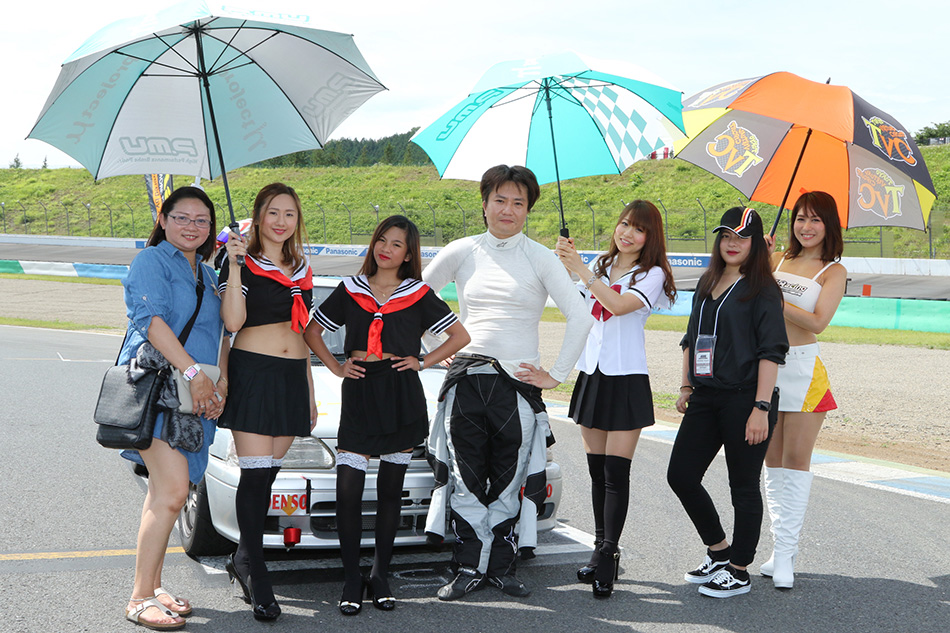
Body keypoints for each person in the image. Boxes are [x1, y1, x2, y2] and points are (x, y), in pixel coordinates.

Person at [422, 165, 593, 601]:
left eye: (519, 202)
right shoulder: (462, 249)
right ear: (484, 204)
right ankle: (467, 567)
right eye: (500, 200)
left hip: (517, 386)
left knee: (508, 480)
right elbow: (416, 298)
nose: (508, 210)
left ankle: (500, 567)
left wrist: (555, 375)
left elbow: (580, 316)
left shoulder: (541, 257)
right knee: (465, 478)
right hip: (465, 380)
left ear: (528, 210)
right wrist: (437, 349)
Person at [307, 215, 470, 615]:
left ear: (408, 254)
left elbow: (460, 336)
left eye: (397, 244)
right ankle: (351, 578)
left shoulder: (418, 293)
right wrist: (336, 366)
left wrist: (423, 361)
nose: (387, 248)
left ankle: (380, 576)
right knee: (348, 492)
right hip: (360, 388)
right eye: (382, 239)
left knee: (390, 494)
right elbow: (311, 331)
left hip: (401, 391)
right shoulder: (351, 288)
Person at [120, 186, 229, 630]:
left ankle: (153, 585)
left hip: (196, 396)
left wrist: (220, 382)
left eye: (202, 220)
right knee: (171, 493)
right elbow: (151, 322)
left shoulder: (208, 273)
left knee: (164, 495)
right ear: (163, 220)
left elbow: (225, 332)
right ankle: (139, 598)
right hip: (162, 391)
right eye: (181, 217)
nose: (191, 226)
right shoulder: (151, 261)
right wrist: (194, 373)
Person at [554, 200, 676, 599]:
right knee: (596, 472)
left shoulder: (652, 274)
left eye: (639, 229)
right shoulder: (601, 265)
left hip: (626, 379)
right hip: (592, 375)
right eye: (624, 224)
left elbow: (619, 306)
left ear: (650, 237)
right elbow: (576, 308)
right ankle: (599, 547)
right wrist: (565, 267)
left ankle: (609, 553)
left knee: (615, 473)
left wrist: (582, 270)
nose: (628, 233)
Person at [667, 206, 788, 599]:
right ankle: (719, 551)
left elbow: (771, 352)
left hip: (746, 399)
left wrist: (761, 408)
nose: (732, 243)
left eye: (742, 237)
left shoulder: (763, 288)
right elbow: (691, 338)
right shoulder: (708, 280)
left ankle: (739, 570)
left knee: (743, 486)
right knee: (681, 475)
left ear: (756, 244)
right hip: (705, 396)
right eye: (726, 236)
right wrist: (686, 386)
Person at [218, 183, 318, 621]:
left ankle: (243, 558)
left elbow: (304, 331)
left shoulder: (302, 268)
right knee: (256, 477)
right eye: (273, 212)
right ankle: (258, 577)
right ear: (258, 217)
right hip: (254, 374)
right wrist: (235, 265)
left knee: (268, 477)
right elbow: (232, 321)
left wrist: (310, 390)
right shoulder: (242, 261)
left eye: (289, 214)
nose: (281, 221)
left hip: (292, 377)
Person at [761, 191, 846, 589]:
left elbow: (817, 322)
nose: (806, 227)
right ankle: (778, 548)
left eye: (815, 219)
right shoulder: (776, 259)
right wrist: (759, 262)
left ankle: (786, 555)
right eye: (800, 218)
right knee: (771, 460)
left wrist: (773, 296)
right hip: (766, 366)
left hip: (804, 371)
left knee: (795, 460)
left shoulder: (833, 271)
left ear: (829, 225)